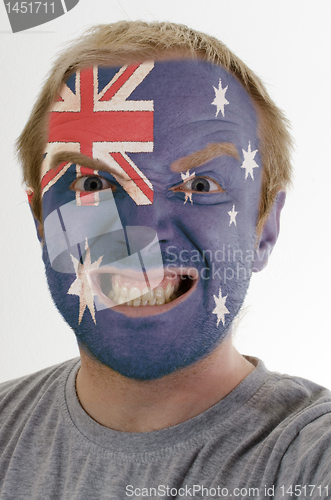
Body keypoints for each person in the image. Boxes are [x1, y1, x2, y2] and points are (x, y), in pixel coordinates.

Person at [1, 20, 330, 499]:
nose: (143, 234)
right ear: (40, 220)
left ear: (265, 228)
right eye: (93, 184)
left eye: (199, 186)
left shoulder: (308, 458)